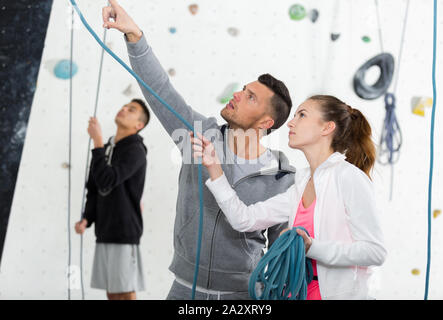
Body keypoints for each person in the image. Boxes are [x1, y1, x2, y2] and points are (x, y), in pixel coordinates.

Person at [102, 0, 296, 300]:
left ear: (266, 122)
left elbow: (282, 251)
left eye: (250, 97)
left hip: (242, 295)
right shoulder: (197, 134)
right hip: (183, 290)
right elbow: (161, 90)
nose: (238, 95)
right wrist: (134, 34)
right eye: (243, 90)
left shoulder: (280, 179)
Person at [192, 95, 387, 300]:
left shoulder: (348, 177)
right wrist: (214, 167)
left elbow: (374, 252)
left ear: (327, 128)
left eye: (302, 115)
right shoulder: (301, 182)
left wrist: (312, 247)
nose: (291, 123)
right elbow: (244, 219)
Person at [75, 98, 151, 300]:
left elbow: (109, 180)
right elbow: (94, 186)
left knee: (124, 293)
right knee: (112, 293)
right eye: (125, 106)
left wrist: (97, 142)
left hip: (123, 231)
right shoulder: (107, 148)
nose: (124, 108)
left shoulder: (136, 151)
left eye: (132, 109)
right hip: (105, 230)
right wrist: (87, 218)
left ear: (139, 125)